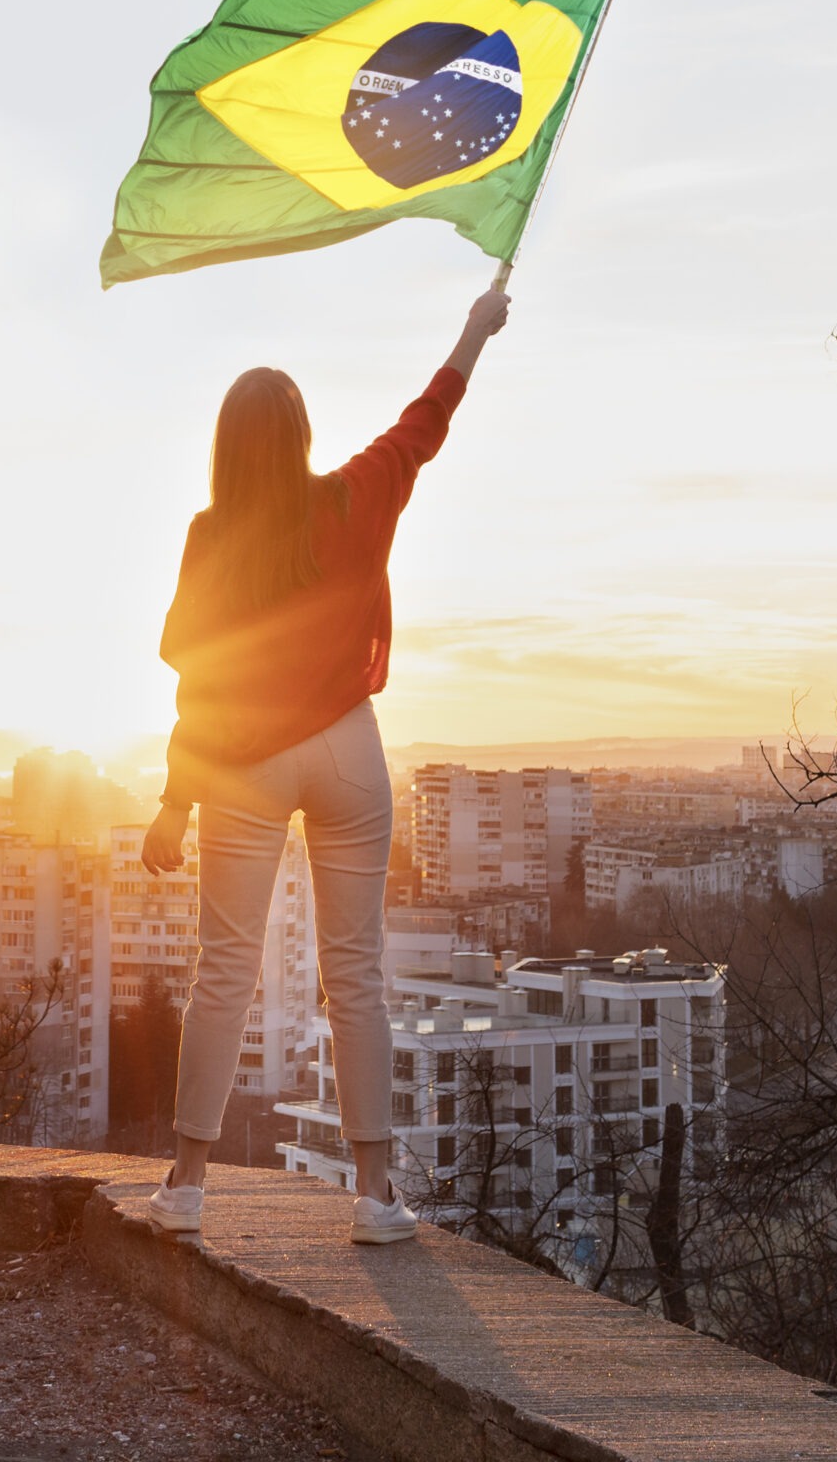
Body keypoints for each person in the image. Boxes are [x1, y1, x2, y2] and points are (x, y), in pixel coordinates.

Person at [141, 286, 512, 1245]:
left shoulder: (208, 538)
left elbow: (202, 688)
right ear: (302, 435)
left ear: (224, 447)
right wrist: (475, 327)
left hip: (243, 763)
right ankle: (377, 1199)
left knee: (223, 971)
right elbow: (425, 422)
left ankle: (185, 1186)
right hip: (348, 752)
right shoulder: (354, 496)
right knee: (358, 977)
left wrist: (173, 805)